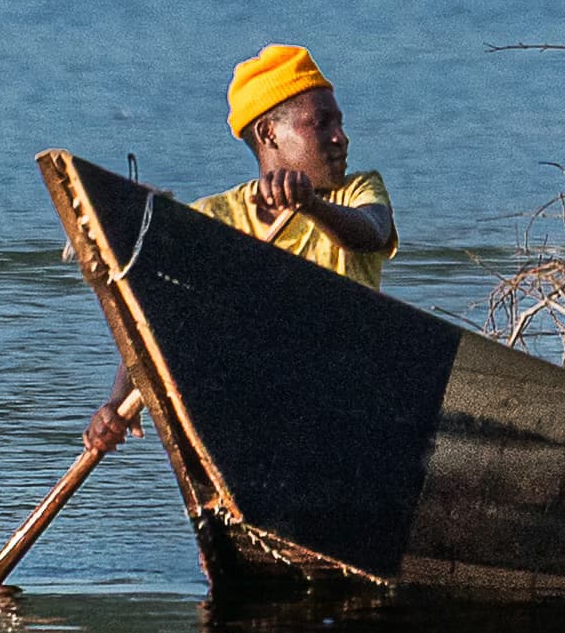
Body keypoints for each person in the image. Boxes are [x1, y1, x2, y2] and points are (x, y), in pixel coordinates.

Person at [84, 47, 397, 455]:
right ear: (269, 133)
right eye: (321, 124)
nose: (341, 137)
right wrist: (117, 402)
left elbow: (372, 233)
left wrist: (311, 205)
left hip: (343, 411)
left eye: (339, 122)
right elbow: (155, 318)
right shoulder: (215, 218)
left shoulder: (357, 191)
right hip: (253, 418)